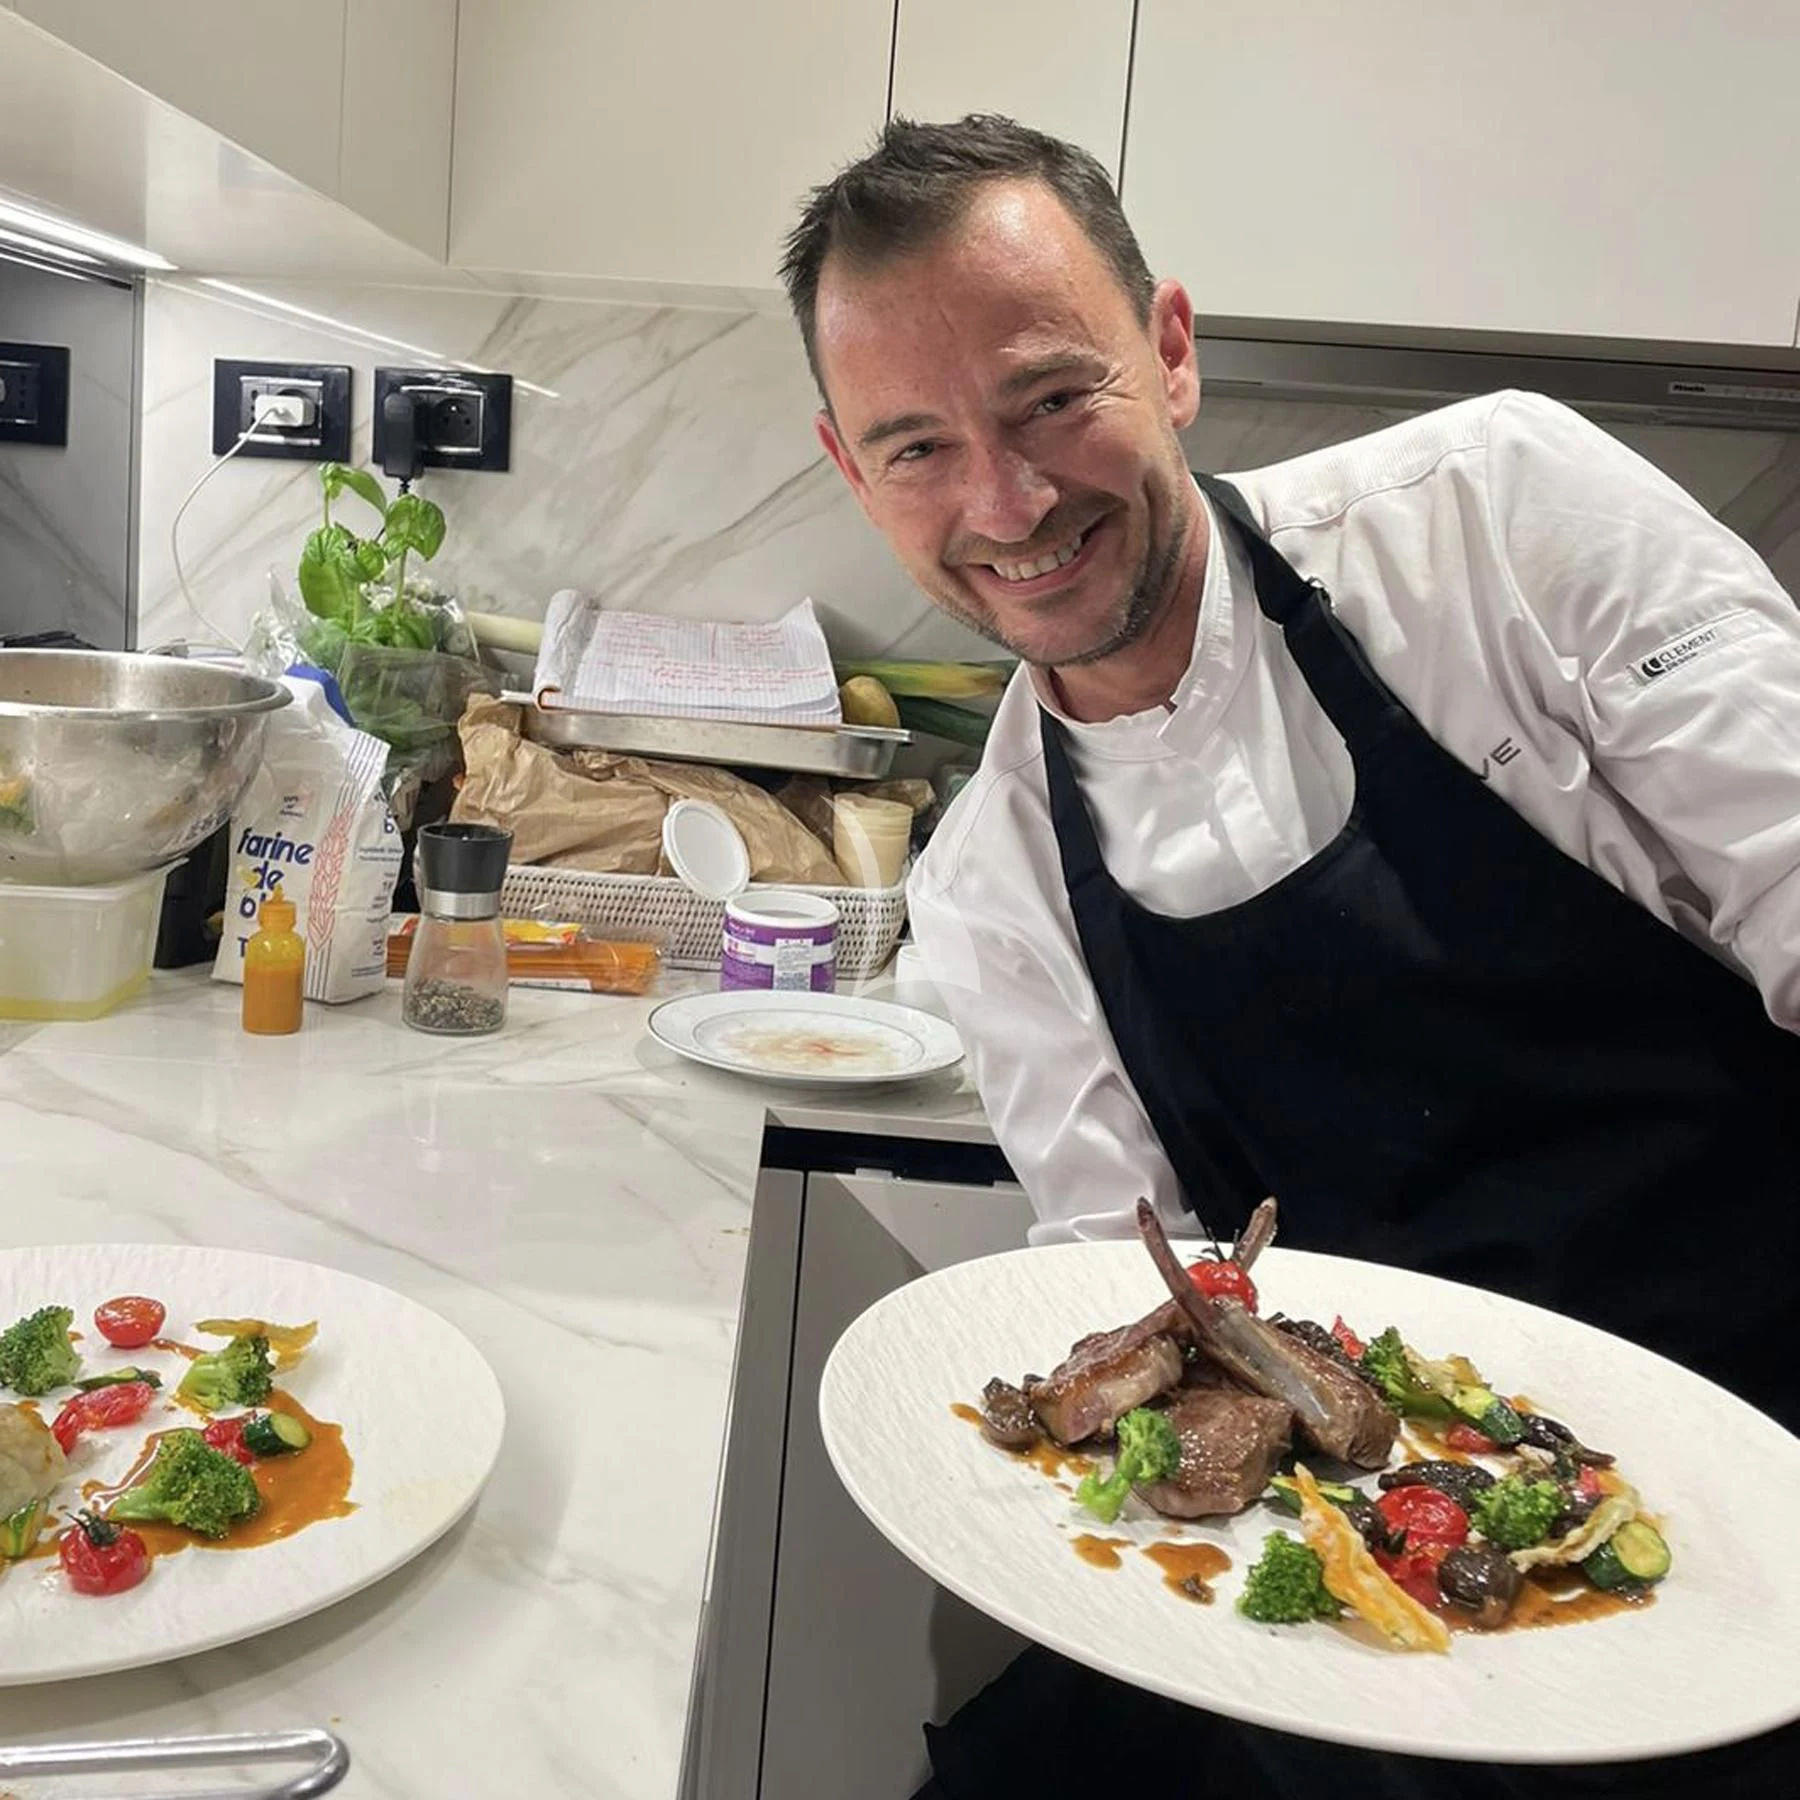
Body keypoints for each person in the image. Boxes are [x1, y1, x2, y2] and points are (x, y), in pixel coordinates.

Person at [780, 115, 1800, 1799]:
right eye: (918, 448)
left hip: (1767, 1456)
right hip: (1387, 1537)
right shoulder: (995, 886)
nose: (1009, 502)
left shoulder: (1491, 520)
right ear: (849, 469)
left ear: (1169, 351)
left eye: (1052, 397)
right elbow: (1140, 1287)